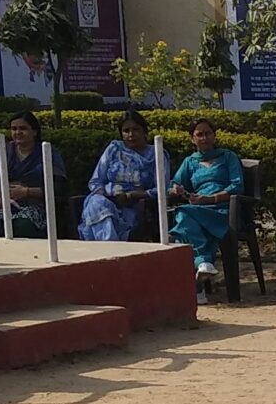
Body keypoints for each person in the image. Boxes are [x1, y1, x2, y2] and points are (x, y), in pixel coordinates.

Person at [167, 118, 245, 289]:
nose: (204, 138)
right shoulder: (190, 162)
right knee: (185, 219)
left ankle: (200, 274)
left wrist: (211, 199)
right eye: (199, 134)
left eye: (208, 133)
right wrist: (176, 190)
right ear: (192, 139)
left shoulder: (228, 157)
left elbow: (237, 186)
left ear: (214, 136)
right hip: (198, 210)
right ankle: (202, 270)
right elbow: (172, 186)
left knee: (183, 221)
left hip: (223, 210)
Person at [78, 112, 158, 242]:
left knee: (101, 209)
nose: (131, 134)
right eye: (126, 131)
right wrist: (105, 195)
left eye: (136, 129)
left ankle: (110, 248)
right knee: (98, 203)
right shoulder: (114, 149)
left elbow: (162, 189)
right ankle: (110, 247)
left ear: (145, 131)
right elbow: (96, 181)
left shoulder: (155, 154)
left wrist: (131, 195)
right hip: (109, 201)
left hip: (136, 208)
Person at [0, 112, 48, 237]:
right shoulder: (4, 151)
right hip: (2, 204)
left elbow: (58, 188)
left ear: (34, 132)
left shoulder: (46, 152)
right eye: (14, 129)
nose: (18, 132)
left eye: (23, 128)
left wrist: (26, 192)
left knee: (23, 225)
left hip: (33, 206)